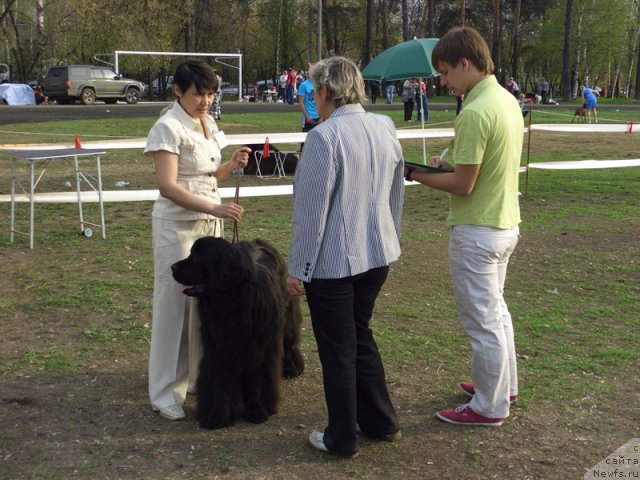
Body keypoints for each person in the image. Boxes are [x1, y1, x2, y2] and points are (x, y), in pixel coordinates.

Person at [404, 27, 522, 427]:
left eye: (446, 72)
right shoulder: (505, 100)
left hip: (477, 230)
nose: (442, 81)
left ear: (465, 64)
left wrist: (415, 174)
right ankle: (503, 386)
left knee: (482, 321)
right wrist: (445, 169)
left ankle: (489, 406)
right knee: (497, 312)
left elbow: (463, 184)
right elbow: (476, 170)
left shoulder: (473, 111)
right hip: (504, 223)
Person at [287, 56, 404, 457]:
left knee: (339, 348)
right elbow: (395, 193)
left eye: (314, 90)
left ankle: (341, 438)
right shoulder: (383, 126)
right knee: (359, 337)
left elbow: (311, 213)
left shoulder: (324, 137)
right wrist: (391, 236)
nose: (313, 98)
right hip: (377, 254)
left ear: (324, 91)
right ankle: (380, 421)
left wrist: (297, 269)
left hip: (335, 263)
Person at [144, 60, 250, 421]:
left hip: (209, 224)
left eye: (209, 94)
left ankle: (195, 379)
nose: (205, 100)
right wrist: (214, 207)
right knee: (173, 309)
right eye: (198, 94)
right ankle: (165, 392)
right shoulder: (167, 127)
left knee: (206, 306)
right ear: (178, 90)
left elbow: (208, 173)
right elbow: (167, 185)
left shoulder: (208, 123)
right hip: (178, 226)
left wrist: (231, 165)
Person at [297, 67, 320, 151]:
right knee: (306, 141)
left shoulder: (320, 85)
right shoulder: (304, 85)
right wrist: (307, 117)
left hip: (319, 117)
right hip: (309, 117)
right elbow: (301, 101)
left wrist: (322, 117)